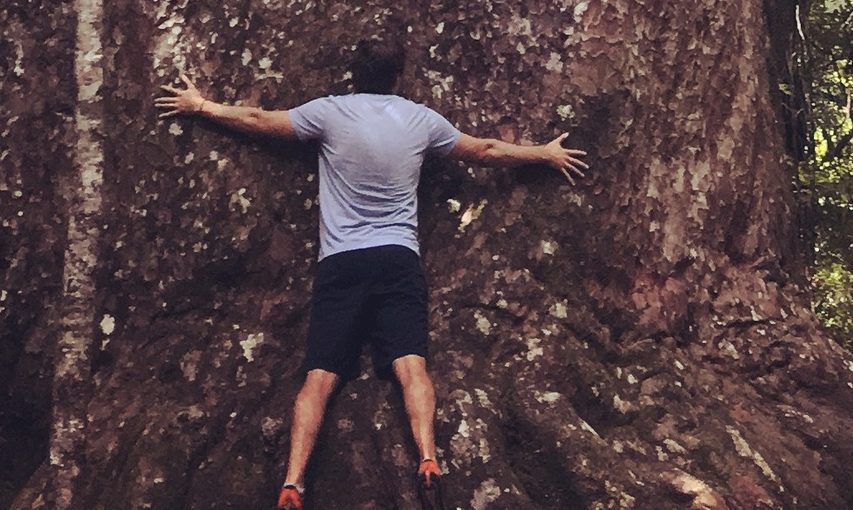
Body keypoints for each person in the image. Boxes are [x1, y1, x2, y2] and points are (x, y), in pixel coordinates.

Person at [157, 37, 588, 507]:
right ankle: (427, 456)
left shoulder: (330, 113)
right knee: (411, 365)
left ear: (354, 74)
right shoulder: (420, 120)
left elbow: (261, 120)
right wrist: (543, 153)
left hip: (342, 261)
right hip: (398, 258)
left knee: (320, 376)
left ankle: (292, 482)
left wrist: (202, 106)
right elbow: (484, 150)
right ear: (397, 78)